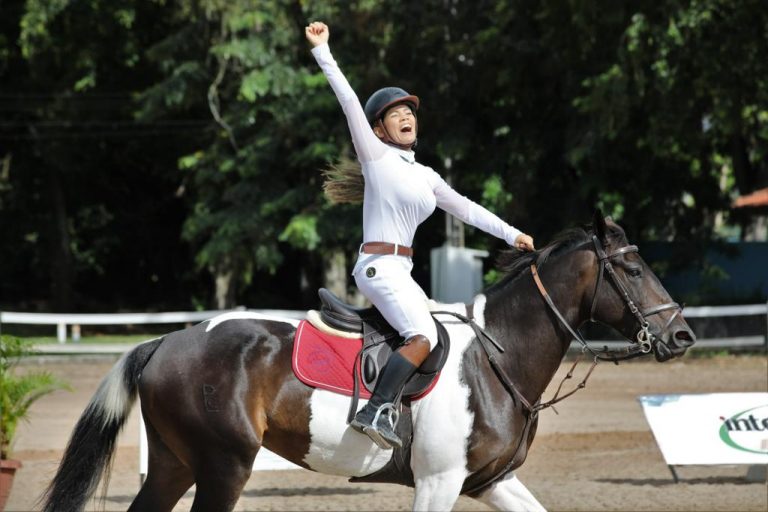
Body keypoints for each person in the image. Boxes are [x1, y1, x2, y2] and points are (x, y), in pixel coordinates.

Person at [305, 21, 534, 449]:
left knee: (443, 329)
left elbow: (466, 209)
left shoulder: (426, 175)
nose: (406, 116)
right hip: (378, 266)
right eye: (395, 114)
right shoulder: (375, 155)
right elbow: (349, 101)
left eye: (409, 112)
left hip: (401, 270)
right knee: (422, 336)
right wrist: (323, 51)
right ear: (379, 130)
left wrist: (512, 233)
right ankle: (375, 410)